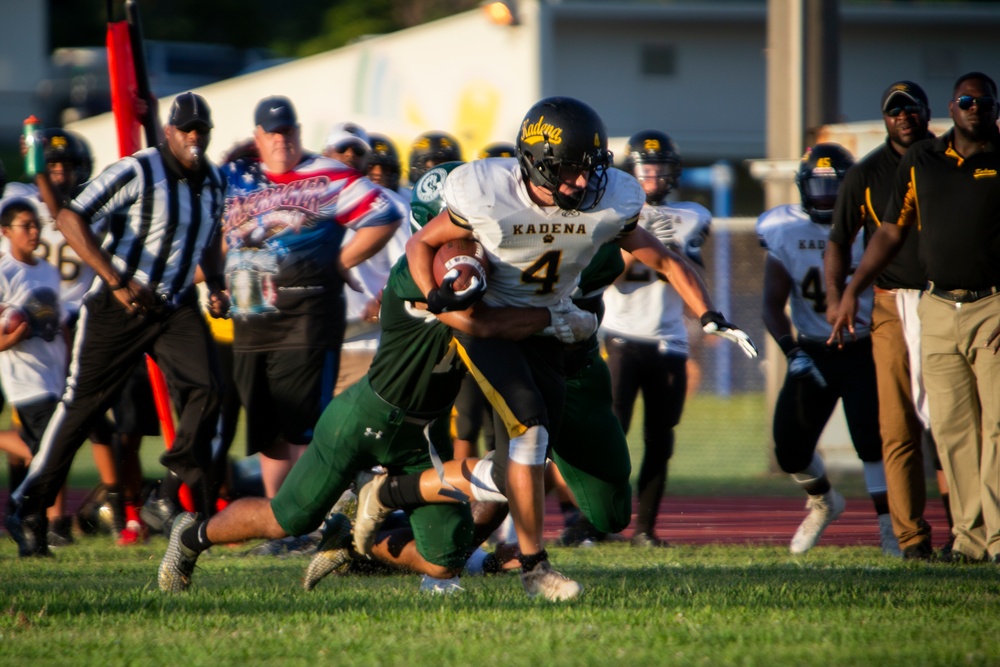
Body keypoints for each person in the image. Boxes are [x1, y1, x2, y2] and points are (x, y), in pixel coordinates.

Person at [389, 96, 757, 599]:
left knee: (526, 456)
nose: (583, 183)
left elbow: (666, 260)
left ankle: (397, 499)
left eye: (589, 170)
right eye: (569, 171)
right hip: (491, 325)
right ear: (537, 163)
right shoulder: (487, 191)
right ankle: (533, 567)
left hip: (550, 330)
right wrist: (431, 290)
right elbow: (420, 244)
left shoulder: (608, 201)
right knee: (529, 429)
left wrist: (710, 314)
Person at [157, 251, 590, 593]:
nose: (468, 248)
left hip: (423, 435)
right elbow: (474, 318)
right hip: (365, 416)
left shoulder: (479, 277)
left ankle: (352, 543)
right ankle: (192, 536)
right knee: (288, 520)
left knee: (445, 561)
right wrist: (554, 317)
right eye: (458, 235)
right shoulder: (416, 277)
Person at [5, 92, 229, 557]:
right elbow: (69, 216)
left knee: (209, 388)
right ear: (168, 131)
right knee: (82, 408)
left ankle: (166, 494)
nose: (192, 137)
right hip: (117, 304)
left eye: (200, 130)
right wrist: (115, 278)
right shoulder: (139, 169)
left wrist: (219, 284)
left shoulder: (213, 181)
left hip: (174, 304)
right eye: (185, 129)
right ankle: (29, 505)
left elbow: (208, 240)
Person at [831, 72, 1000, 564]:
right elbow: (886, 231)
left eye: (983, 101)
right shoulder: (921, 161)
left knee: (995, 426)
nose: (975, 108)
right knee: (947, 428)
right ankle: (957, 539)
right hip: (929, 305)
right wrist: (850, 291)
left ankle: (993, 536)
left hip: (991, 303)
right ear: (954, 106)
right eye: (966, 101)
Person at [222, 98, 402, 505]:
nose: (281, 140)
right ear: (259, 138)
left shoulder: (328, 174)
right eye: (272, 133)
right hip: (252, 317)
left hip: (307, 315)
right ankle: (279, 523)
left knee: (305, 427)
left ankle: (311, 518)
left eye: (287, 131)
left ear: (298, 133)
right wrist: (214, 281)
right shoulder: (236, 175)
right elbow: (220, 232)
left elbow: (385, 215)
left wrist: (340, 261)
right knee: (267, 431)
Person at [759, 143, 898, 555]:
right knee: (789, 449)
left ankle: (890, 529)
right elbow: (771, 302)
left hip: (863, 348)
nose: (826, 196)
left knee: (871, 441)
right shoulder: (786, 229)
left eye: (835, 187)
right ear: (802, 188)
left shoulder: (872, 227)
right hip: (814, 351)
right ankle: (824, 502)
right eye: (818, 186)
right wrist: (791, 350)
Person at [824, 81, 939, 561]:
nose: (903, 116)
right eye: (894, 110)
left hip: (949, 299)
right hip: (891, 302)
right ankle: (911, 539)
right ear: (885, 118)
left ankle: (972, 533)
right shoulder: (866, 172)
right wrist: (838, 295)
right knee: (897, 424)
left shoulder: (952, 160)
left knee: (954, 423)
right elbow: (838, 239)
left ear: (929, 111)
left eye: (911, 107)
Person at [602, 129, 711, 548]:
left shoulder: (691, 215)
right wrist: (643, 246)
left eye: (660, 167)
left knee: (660, 439)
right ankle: (599, 522)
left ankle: (645, 529)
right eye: (645, 168)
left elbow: (691, 280)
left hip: (668, 340)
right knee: (613, 435)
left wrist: (671, 253)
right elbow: (607, 274)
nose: (653, 175)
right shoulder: (612, 210)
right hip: (621, 335)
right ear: (630, 171)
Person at [322, 122, 411, 396]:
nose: (350, 153)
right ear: (325, 152)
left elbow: (409, 263)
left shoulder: (388, 203)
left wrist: (384, 296)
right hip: (310, 342)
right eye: (342, 147)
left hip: (363, 345)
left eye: (358, 150)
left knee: (360, 435)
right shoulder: (305, 199)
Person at [0, 200, 67, 553]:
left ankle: (32, 531)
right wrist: (15, 335)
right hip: (25, 380)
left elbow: (58, 322)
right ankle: (26, 515)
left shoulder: (48, 270)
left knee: (50, 453)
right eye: (24, 225)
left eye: (35, 225)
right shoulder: (3, 273)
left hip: (55, 373)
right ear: (5, 231)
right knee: (49, 452)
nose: (33, 232)